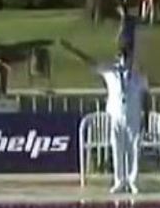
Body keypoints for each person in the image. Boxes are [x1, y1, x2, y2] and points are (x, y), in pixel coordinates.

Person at [64, 40, 149, 194]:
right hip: (115, 114)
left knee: (134, 148)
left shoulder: (138, 77)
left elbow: (146, 97)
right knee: (117, 147)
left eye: (126, 57)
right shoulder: (110, 73)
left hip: (133, 114)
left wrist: (147, 117)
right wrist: (74, 50)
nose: (123, 60)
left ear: (130, 59)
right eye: (121, 57)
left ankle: (133, 180)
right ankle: (119, 180)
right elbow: (90, 62)